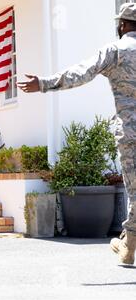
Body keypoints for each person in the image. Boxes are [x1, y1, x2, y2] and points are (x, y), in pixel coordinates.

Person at [17, 3, 136, 265]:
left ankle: (130, 244)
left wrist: (43, 84)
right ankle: (129, 243)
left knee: (134, 188)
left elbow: (81, 73)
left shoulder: (115, 50)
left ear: (122, 24)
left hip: (130, 132)